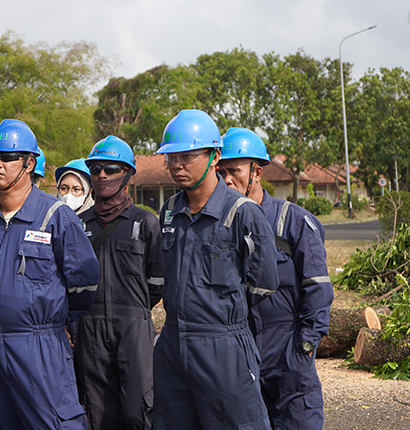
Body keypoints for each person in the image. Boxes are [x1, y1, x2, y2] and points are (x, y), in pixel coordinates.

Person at [152, 110, 279, 430]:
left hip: (223, 345)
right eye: (170, 157)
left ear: (214, 156)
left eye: (187, 155)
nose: (176, 165)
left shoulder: (243, 213)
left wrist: (220, 316)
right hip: (173, 344)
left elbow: (263, 284)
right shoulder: (169, 211)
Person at [0, 119, 99, 429]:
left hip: (39, 345)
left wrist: (53, 321)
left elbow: (84, 283)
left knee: (53, 423)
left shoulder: (56, 217)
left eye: (7, 157)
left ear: (29, 163)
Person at [217, 127, 333, 430]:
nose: (226, 179)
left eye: (234, 171)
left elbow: (318, 289)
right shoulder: (222, 226)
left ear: (256, 171)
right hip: (243, 353)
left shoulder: (294, 221)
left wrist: (305, 347)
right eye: (220, 172)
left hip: (288, 351)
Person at [74, 136, 164, 430]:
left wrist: (132, 311)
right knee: (97, 411)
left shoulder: (146, 223)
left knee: (138, 409)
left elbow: (156, 283)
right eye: (96, 168)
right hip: (89, 329)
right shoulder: (79, 225)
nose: (102, 175)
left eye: (111, 168)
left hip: (134, 326)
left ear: (126, 173)